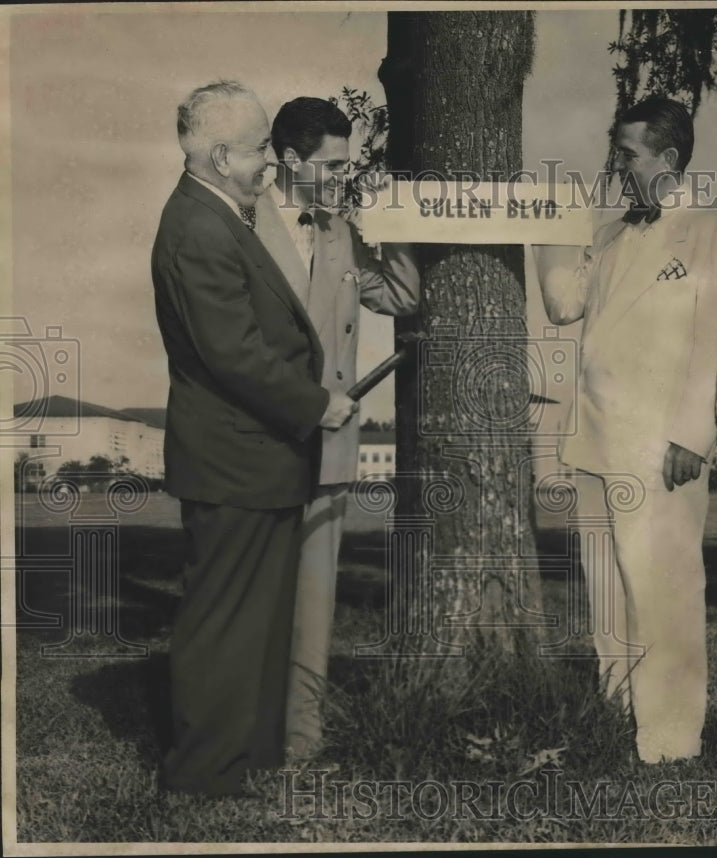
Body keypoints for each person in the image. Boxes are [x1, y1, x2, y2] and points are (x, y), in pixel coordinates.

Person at [150, 81, 355, 796]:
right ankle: (204, 771)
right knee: (223, 621)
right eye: (259, 147)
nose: (270, 160)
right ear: (216, 155)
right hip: (233, 456)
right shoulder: (200, 228)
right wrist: (316, 403)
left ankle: (251, 757)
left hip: (257, 456)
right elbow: (232, 352)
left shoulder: (218, 214)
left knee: (259, 620)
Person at [534, 96, 717, 763]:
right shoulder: (608, 232)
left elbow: (711, 342)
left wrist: (692, 436)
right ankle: (618, 719)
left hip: (662, 447)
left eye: (628, 152)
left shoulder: (710, 231)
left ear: (668, 158)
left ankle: (672, 739)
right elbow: (563, 305)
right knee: (608, 594)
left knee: (666, 591)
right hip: (596, 437)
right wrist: (554, 222)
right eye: (615, 150)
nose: (615, 164)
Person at [255, 96, 419, 759]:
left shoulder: (341, 229)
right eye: (332, 165)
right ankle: (244, 728)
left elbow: (403, 296)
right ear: (291, 160)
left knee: (315, 602)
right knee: (253, 595)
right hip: (261, 441)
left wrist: (395, 221)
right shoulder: (240, 221)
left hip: (327, 447)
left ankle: (301, 737)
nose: (343, 177)